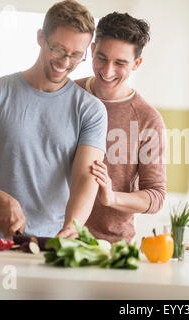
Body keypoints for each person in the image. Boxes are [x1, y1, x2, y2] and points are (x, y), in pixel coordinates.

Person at [0, 0, 107, 239]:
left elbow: (85, 178)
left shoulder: (90, 110)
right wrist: (4, 200)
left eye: (76, 55)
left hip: (50, 244)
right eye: (57, 49)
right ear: (40, 38)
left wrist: (72, 225)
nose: (65, 62)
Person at [74, 12, 166, 244]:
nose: (107, 71)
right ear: (92, 49)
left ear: (136, 63)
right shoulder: (65, 95)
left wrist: (112, 198)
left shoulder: (147, 119)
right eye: (102, 58)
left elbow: (155, 196)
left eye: (120, 63)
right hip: (51, 235)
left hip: (109, 245)